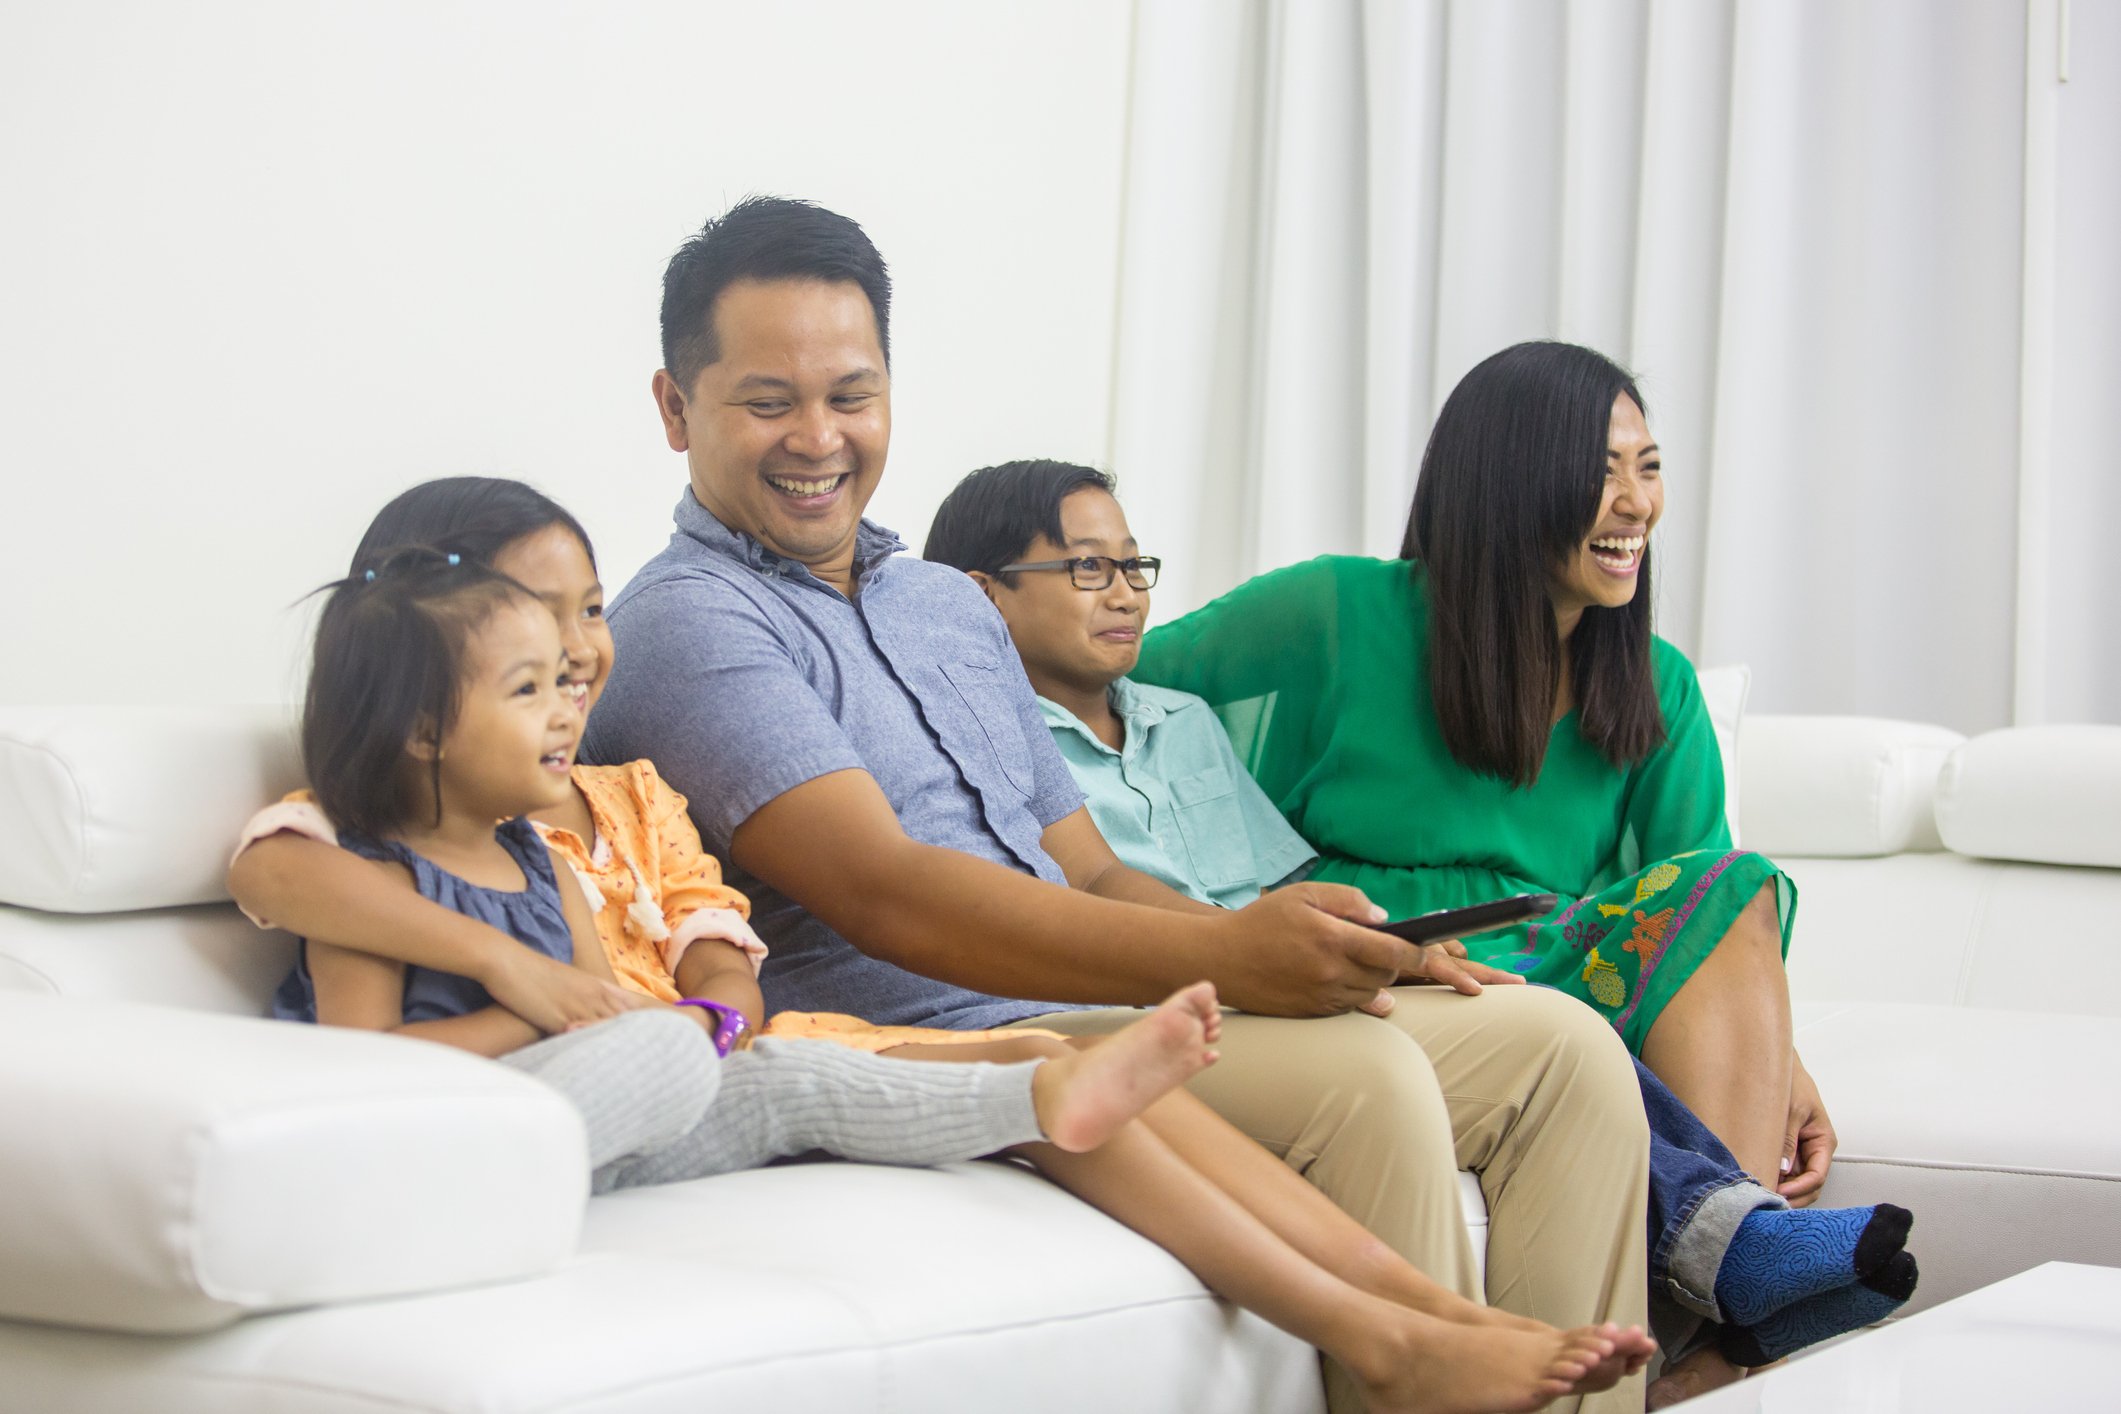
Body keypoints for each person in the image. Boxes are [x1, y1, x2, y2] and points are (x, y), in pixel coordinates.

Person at [583, 195, 1656, 1414]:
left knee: (1565, 1051)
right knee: (1365, 1078)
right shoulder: (684, 625)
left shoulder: (944, 602)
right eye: (768, 401)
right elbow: (883, 892)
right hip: (958, 1037)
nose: (818, 437)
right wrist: (1228, 956)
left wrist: (1346, 949)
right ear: (676, 410)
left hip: (1112, 999)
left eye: (852, 393)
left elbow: (1088, 870)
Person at [255, 521, 1642, 1414]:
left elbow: (715, 949)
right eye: (532, 667)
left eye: (579, 638)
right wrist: (539, 992)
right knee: (792, 1053)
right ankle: (1377, 1333)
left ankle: (1434, 1314)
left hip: (705, 1062)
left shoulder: (600, 810)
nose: (579, 677)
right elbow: (354, 1035)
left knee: (1558, 1050)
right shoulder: (388, 840)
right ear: (424, 721)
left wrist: (1293, 935)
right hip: (602, 1087)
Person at [926, 457, 1922, 1391]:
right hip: (1186, 985)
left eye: (1136, 567)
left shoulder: (1175, 718)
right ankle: (1722, 1246)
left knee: (1540, 1011)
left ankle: (1716, 1252)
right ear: (981, 594)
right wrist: (1263, 950)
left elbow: (1283, 873)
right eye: (1090, 568)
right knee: (1499, 1027)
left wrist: (1378, 938)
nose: (1129, 593)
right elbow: (1083, 890)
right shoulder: (987, 726)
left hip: (1285, 962)